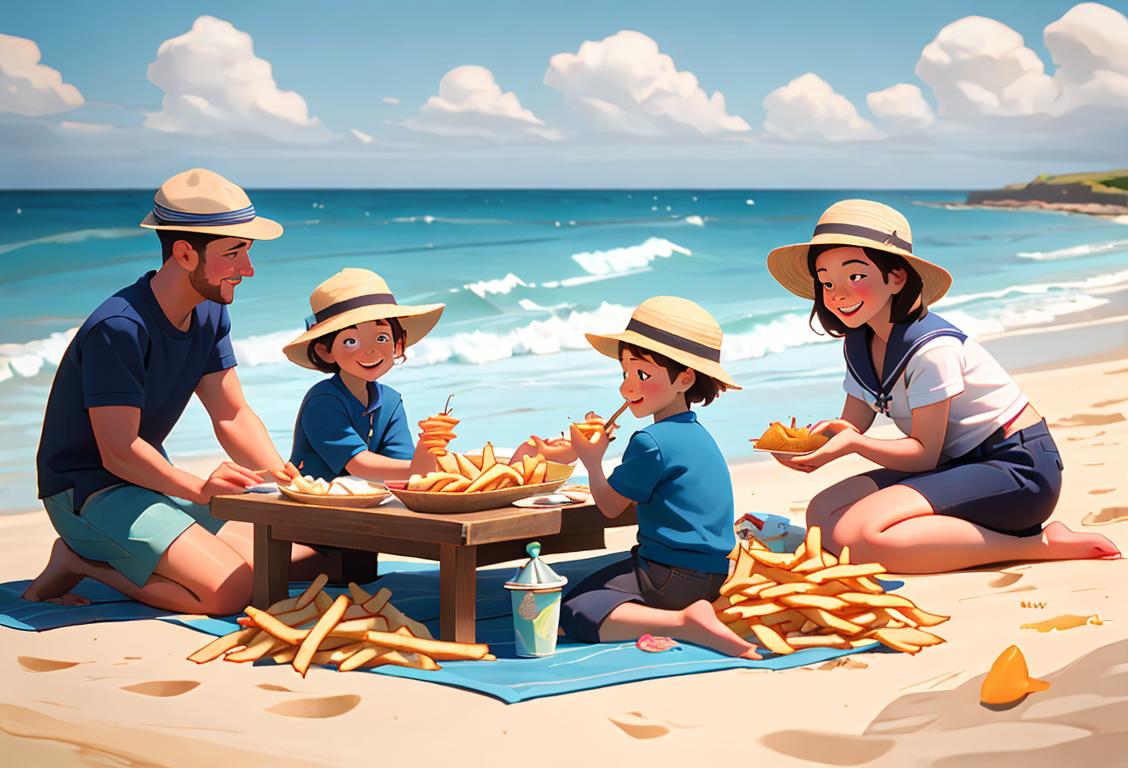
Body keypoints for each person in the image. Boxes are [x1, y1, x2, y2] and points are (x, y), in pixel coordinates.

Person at [764, 199, 1120, 573]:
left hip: (1017, 469)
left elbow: (923, 455)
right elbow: (852, 425)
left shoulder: (933, 349)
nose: (837, 294)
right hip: (956, 464)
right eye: (826, 282)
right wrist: (807, 447)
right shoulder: (859, 342)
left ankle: (1036, 544)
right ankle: (933, 536)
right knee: (823, 515)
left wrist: (850, 445)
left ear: (896, 277)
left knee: (860, 536)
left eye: (855, 277)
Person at [23, 168, 317, 613]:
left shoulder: (210, 313)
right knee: (231, 592)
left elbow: (231, 414)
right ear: (184, 253)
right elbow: (117, 452)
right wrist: (201, 490)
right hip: (88, 494)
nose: (248, 270)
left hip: (149, 483)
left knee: (297, 556)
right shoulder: (120, 327)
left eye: (248, 253)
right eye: (234, 253)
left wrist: (283, 479)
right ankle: (78, 560)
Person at [559, 296, 761, 658]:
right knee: (609, 581)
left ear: (684, 378)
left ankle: (683, 622)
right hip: (715, 573)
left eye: (642, 375)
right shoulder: (698, 434)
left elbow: (608, 507)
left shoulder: (650, 441)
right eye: (624, 373)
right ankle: (698, 611)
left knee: (576, 607)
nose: (627, 387)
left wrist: (591, 462)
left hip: (668, 575)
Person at [283, 268, 444, 482]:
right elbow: (359, 464)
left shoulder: (390, 401)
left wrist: (432, 457)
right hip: (315, 503)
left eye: (382, 338)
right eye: (351, 341)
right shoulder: (322, 401)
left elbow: (400, 459)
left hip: (372, 500)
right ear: (325, 351)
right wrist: (422, 468)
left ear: (398, 344)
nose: (370, 351)